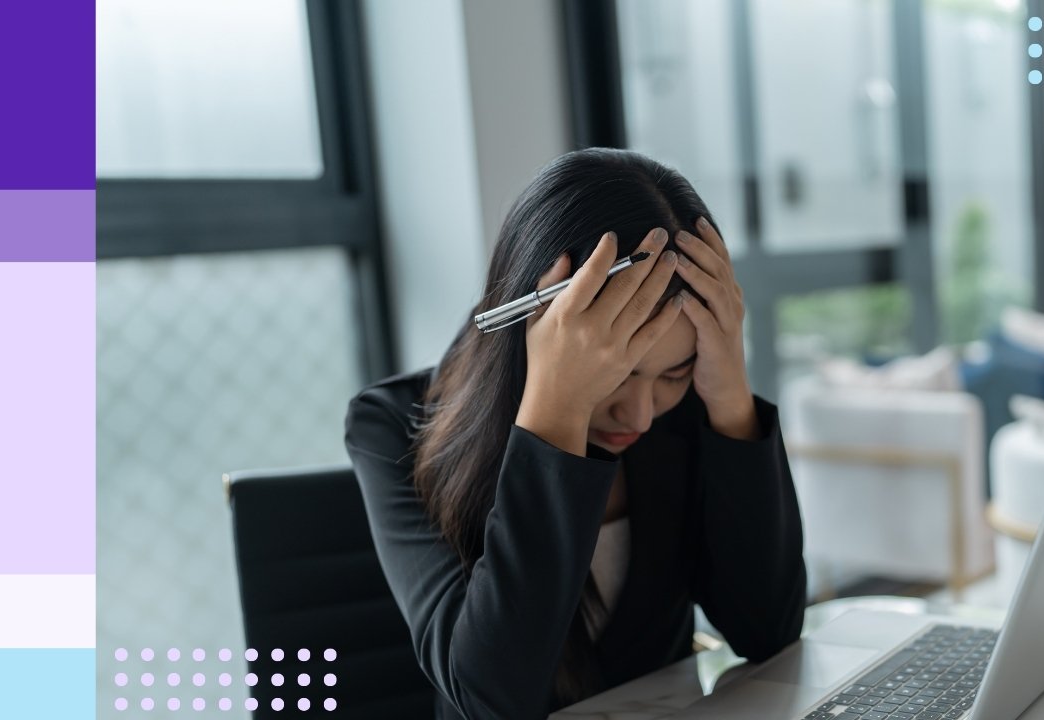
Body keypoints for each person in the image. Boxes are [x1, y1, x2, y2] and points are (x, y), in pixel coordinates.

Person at [344, 148, 805, 720]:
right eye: (617, 374)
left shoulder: (687, 409)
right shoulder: (391, 425)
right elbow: (492, 698)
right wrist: (555, 408)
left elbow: (769, 631)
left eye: (673, 373)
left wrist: (730, 395)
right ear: (535, 331)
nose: (639, 415)